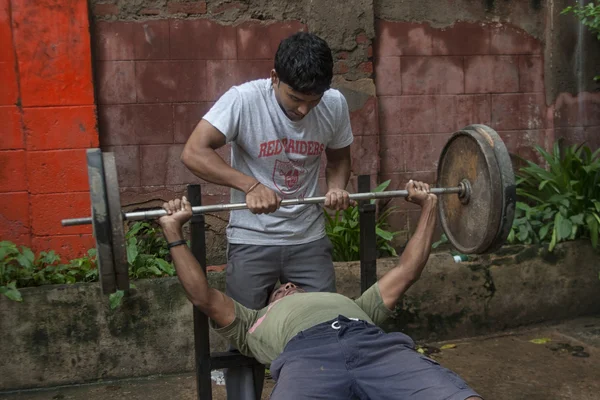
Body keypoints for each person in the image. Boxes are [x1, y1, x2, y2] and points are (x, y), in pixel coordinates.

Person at [158, 181, 482, 400]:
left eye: (289, 285)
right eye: (279, 290)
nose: (286, 285)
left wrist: (428, 206)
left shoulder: (355, 304)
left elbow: (407, 270)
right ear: (271, 301)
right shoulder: (250, 322)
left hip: (372, 346)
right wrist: (174, 232)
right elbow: (201, 295)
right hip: (304, 359)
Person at [181, 32, 354, 398]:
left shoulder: (334, 104)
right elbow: (194, 152)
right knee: (245, 339)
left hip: (308, 237)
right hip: (251, 237)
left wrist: (336, 186)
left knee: (326, 330)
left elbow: (339, 158)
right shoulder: (243, 100)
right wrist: (248, 185)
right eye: (295, 98)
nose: (305, 110)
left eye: (314, 100)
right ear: (274, 77)